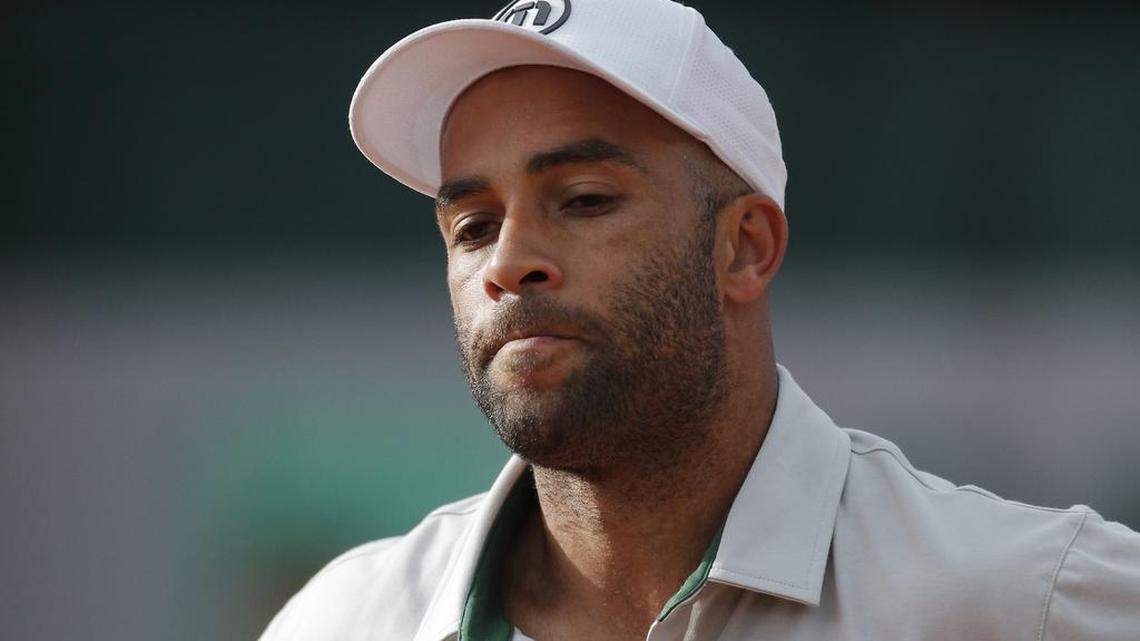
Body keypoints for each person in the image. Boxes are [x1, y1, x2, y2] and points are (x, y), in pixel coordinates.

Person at [259, 1, 1140, 639]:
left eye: (585, 197)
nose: (508, 261)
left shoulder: (1028, 599)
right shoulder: (346, 621)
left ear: (745, 249)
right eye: (473, 225)